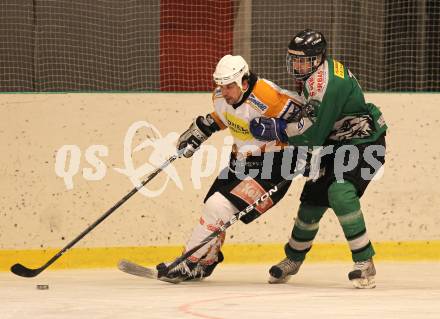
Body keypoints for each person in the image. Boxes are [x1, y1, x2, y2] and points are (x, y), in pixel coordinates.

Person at [250, 29, 387, 289]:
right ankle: (292, 259)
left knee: (341, 192)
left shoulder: (326, 83)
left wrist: (279, 130)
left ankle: (364, 261)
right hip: (337, 143)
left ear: (319, 58)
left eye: (303, 60)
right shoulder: (314, 76)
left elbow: (312, 133)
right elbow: (315, 126)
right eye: (294, 59)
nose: (297, 65)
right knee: (312, 201)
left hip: (365, 143)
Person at [156, 54, 304, 283]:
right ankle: (206, 262)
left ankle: (188, 262)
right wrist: (203, 128)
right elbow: (225, 116)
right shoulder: (220, 97)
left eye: (229, 86)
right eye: (221, 86)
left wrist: (281, 128)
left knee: (218, 206)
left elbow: (310, 116)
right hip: (242, 162)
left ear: (244, 82)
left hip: (276, 167)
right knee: (212, 206)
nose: (224, 92)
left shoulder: (268, 97)